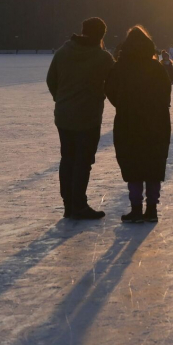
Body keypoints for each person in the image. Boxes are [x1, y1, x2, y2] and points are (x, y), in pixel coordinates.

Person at [45, 17, 114, 220]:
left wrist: (61, 99)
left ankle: (69, 205)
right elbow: (116, 82)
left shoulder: (63, 52)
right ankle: (79, 205)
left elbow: (51, 80)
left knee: (68, 159)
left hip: (64, 116)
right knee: (83, 162)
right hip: (88, 118)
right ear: (101, 35)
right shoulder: (102, 57)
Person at [105, 26, 172, 224]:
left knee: (132, 163)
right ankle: (151, 209)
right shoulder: (156, 67)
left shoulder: (120, 67)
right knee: (153, 164)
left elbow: (109, 89)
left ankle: (136, 209)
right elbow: (166, 92)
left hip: (128, 121)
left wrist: (123, 104)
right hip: (156, 121)